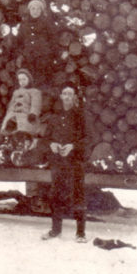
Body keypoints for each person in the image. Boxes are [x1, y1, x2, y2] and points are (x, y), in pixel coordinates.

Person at [41, 83, 87, 243]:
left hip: (75, 162)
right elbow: (46, 138)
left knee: (78, 195)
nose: (67, 97)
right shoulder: (54, 117)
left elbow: (89, 139)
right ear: (60, 96)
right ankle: (55, 230)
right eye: (64, 93)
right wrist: (52, 145)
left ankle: (80, 233)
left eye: (70, 94)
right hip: (58, 163)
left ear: (74, 97)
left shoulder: (80, 116)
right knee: (55, 195)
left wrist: (72, 146)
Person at [13, 0, 58, 87]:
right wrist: (21, 54)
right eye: (33, 8)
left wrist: (48, 51)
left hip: (43, 58)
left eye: (38, 9)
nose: (35, 11)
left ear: (41, 11)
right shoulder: (24, 24)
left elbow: (53, 39)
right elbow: (19, 41)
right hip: (28, 58)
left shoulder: (46, 23)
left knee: (41, 83)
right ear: (29, 10)